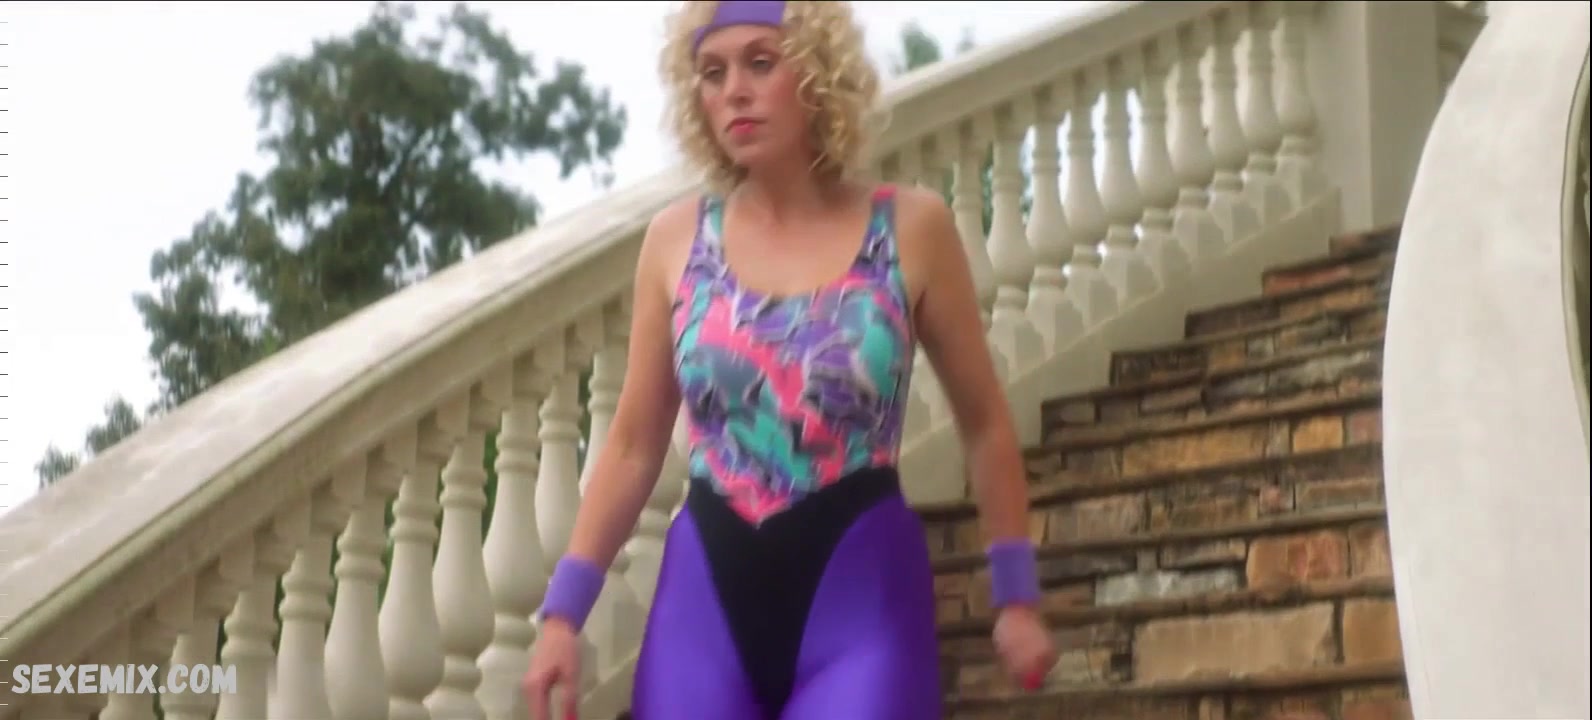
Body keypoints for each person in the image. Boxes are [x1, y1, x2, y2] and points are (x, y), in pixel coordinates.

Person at [521, 1, 1058, 718]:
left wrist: (1016, 595)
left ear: (818, 73)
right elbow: (632, 445)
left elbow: (984, 421)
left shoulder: (911, 228)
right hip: (703, 608)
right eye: (712, 73)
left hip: (863, 606)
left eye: (760, 62)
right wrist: (563, 615)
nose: (734, 91)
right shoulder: (676, 242)